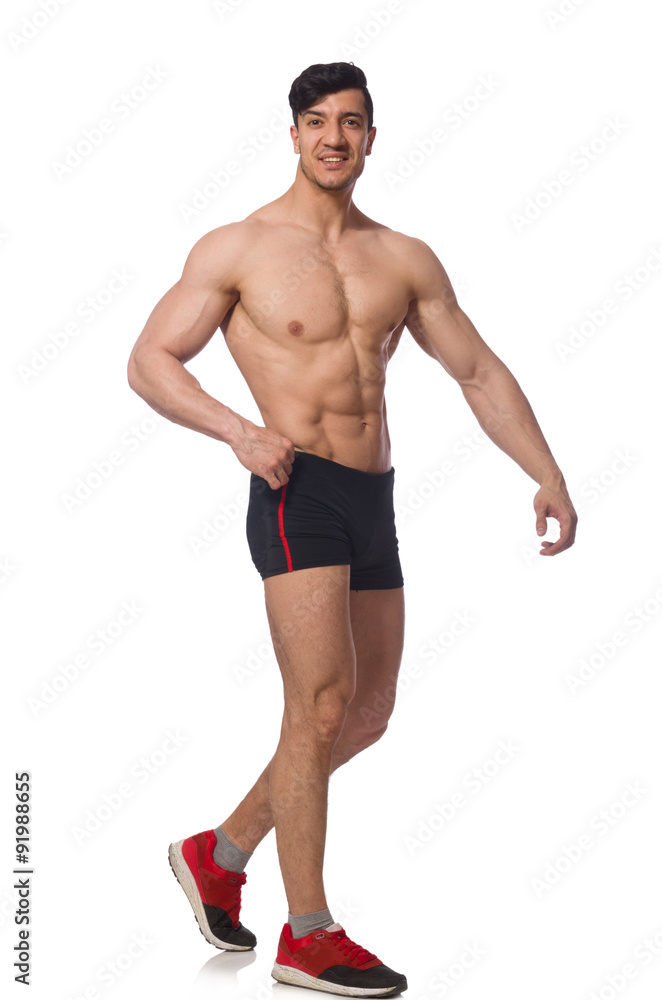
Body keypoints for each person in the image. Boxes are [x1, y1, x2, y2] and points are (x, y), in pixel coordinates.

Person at [127, 61, 577, 997]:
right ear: (292, 134)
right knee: (320, 707)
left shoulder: (404, 258)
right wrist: (241, 433)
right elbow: (150, 361)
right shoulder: (240, 247)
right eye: (318, 121)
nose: (335, 136)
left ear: (374, 137)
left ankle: (220, 852)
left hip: (375, 499)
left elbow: (480, 373)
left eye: (353, 122)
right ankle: (308, 933)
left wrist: (547, 473)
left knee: (365, 716)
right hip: (297, 491)